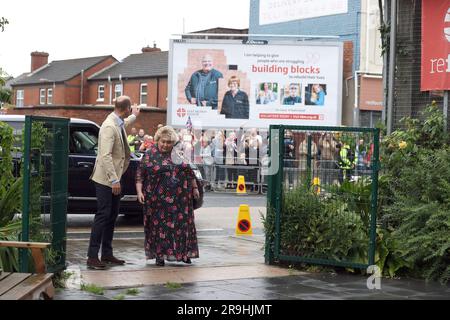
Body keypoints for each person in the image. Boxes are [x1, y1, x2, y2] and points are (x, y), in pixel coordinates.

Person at [87, 95, 140, 270]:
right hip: (106, 179)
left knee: (112, 216)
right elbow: (105, 155)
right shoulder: (109, 126)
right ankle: (92, 257)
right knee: (103, 215)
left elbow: (125, 124)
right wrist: (114, 180)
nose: (130, 111)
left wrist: (135, 116)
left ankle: (107, 253)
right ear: (126, 108)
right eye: (130, 108)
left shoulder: (117, 121)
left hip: (114, 177)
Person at [135, 126, 200, 266]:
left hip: (180, 199)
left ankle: (183, 253)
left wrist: (194, 188)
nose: (165, 145)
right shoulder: (149, 154)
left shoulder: (178, 154)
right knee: (159, 228)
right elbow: (140, 175)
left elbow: (189, 172)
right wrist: (139, 192)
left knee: (181, 226)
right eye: (163, 142)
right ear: (158, 140)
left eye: (169, 142)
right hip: (156, 200)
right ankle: (159, 255)